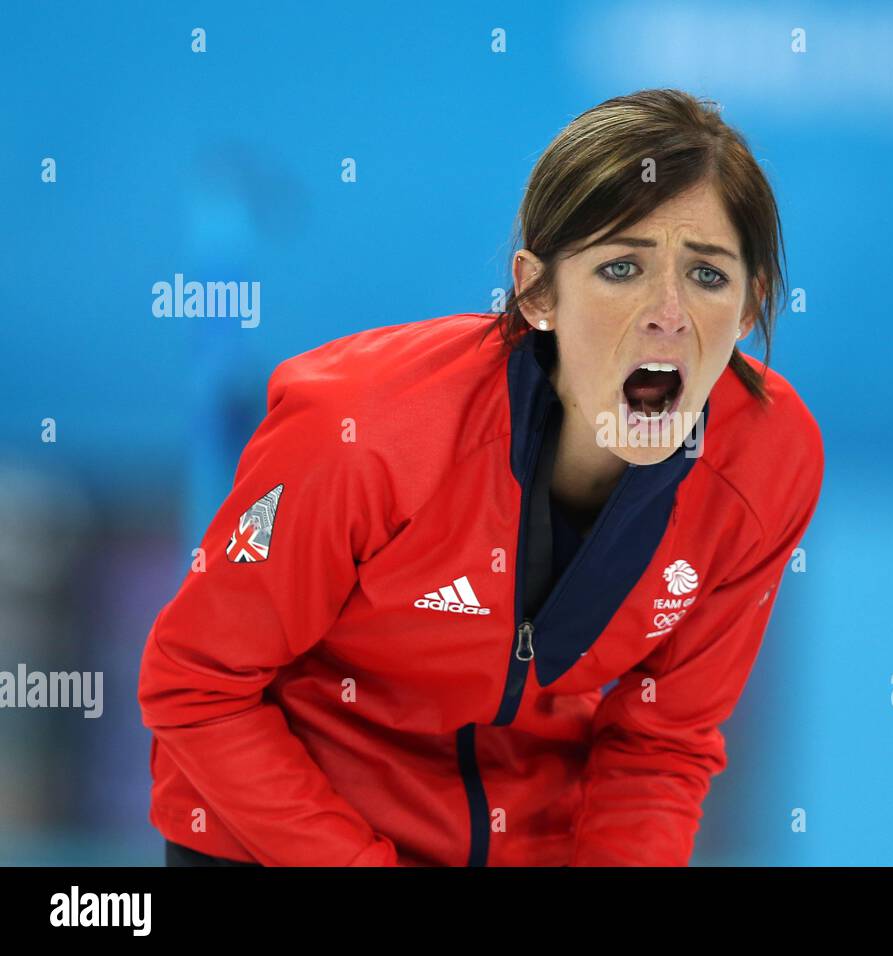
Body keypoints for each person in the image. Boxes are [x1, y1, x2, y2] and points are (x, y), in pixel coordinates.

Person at [138, 88, 824, 867]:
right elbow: (198, 687)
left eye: (707, 276)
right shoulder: (365, 433)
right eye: (621, 266)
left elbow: (658, 744)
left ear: (749, 308)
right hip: (278, 844)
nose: (666, 312)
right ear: (537, 292)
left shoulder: (769, 462)